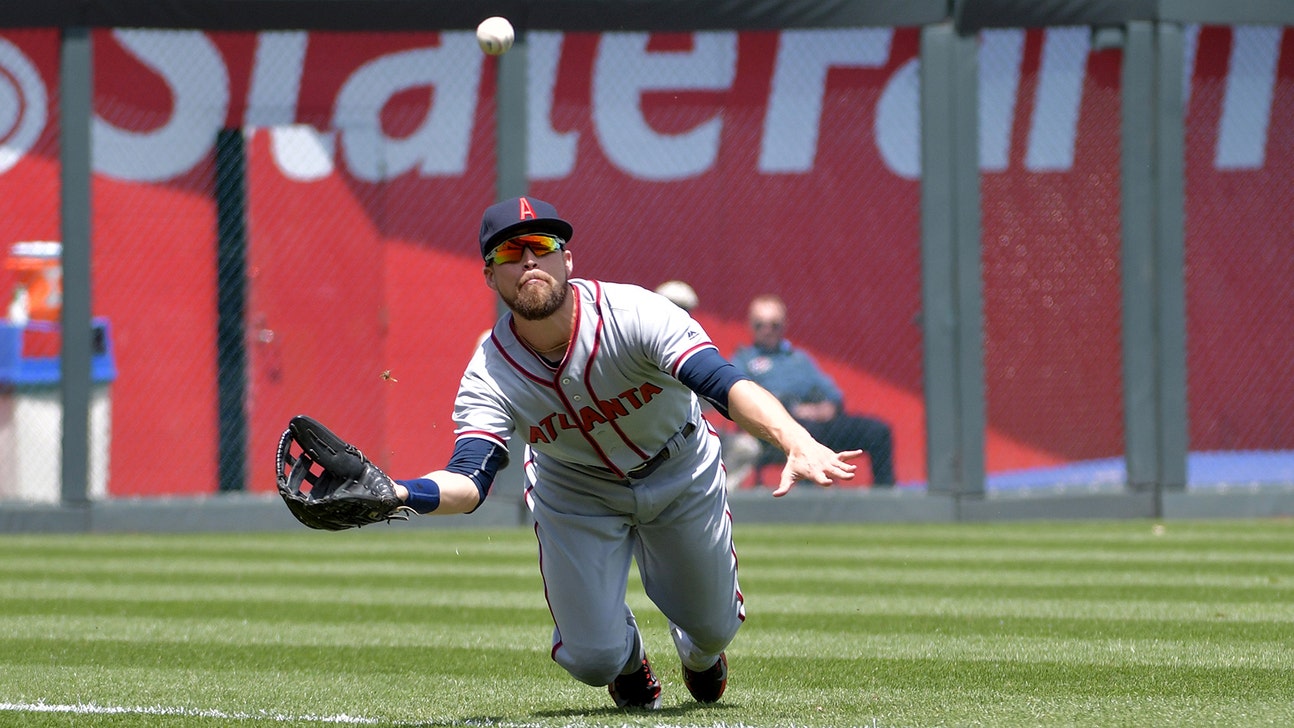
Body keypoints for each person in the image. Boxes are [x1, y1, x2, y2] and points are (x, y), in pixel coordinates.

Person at [388, 197, 863, 710]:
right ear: (489, 275)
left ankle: (699, 652)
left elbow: (724, 384)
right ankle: (629, 658)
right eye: (509, 252)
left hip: (679, 466)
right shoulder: (489, 371)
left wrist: (794, 438)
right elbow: (469, 480)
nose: (529, 260)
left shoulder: (635, 313)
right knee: (593, 660)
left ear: (567, 259)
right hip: (575, 488)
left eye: (542, 245)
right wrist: (397, 493)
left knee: (713, 628)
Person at [727, 294, 895, 487]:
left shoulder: (799, 359)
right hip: (776, 431)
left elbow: (833, 395)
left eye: (774, 325)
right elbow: (743, 400)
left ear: (784, 325)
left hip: (818, 421)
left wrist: (825, 408)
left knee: (878, 431)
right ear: (750, 325)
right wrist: (792, 409)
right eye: (760, 325)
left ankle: (885, 494)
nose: (767, 331)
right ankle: (811, 497)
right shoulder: (743, 361)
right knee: (808, 433)